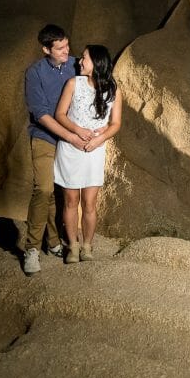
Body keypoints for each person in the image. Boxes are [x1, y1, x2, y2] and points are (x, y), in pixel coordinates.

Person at [22, 24, 83, 276]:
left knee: (61, 194)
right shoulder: (34, 73)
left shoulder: (75, 64)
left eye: (67, 45)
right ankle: (32, 250)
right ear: (46, 49)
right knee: (44, 189)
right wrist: (69, 134)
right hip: (45, 138)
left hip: (71, 142)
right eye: (59, 48)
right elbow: (41, 113)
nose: (66, 51)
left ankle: (55, 242)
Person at [53, 44, 123, 262]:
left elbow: (116, 123)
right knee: (71, 200)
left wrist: (99, 139)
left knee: (90, 203)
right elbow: (60, 114)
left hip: (94, 150)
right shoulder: (73, 83)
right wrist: (77, 130)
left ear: (96, 63)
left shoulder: (113, 89)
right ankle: (72, 246)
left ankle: (87, 247)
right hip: (71, 148)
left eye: (84, 58)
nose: (79, 61)